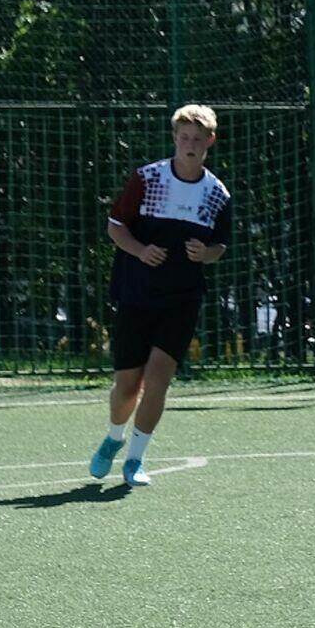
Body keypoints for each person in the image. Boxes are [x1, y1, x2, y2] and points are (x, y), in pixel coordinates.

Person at [88, 104, 231, 487]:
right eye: (183, 137)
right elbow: (116, 227)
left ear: (210, 141)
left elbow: (220, 246)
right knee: (127, 385)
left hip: (182, 299)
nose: (189, 144)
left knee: (158, 379)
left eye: (197, 139)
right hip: (137, 293)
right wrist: (140, 251)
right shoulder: (147, 178)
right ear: (174, 138)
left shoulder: (217, 194)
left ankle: (135, 460)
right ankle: (113, 438)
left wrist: (206, 253)